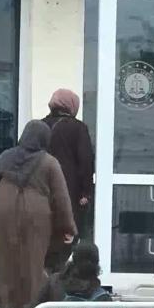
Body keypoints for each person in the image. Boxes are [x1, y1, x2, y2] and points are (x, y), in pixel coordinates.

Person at [0, 120, 76, 308]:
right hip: (36, 217)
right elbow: (61, 199)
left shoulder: (5, 157)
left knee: (1, 263)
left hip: (1, 213)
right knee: (33, 264)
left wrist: (3, 202)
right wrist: (67, 227)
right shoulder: (49, 162)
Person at [42, 89, 94, 271]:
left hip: (41, 193)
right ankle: (56, 282)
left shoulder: (39, 126)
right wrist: (86, 192)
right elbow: (85, 162)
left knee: (44, 243)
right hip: (68, 193)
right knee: (66, 241)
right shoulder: (78, 128)